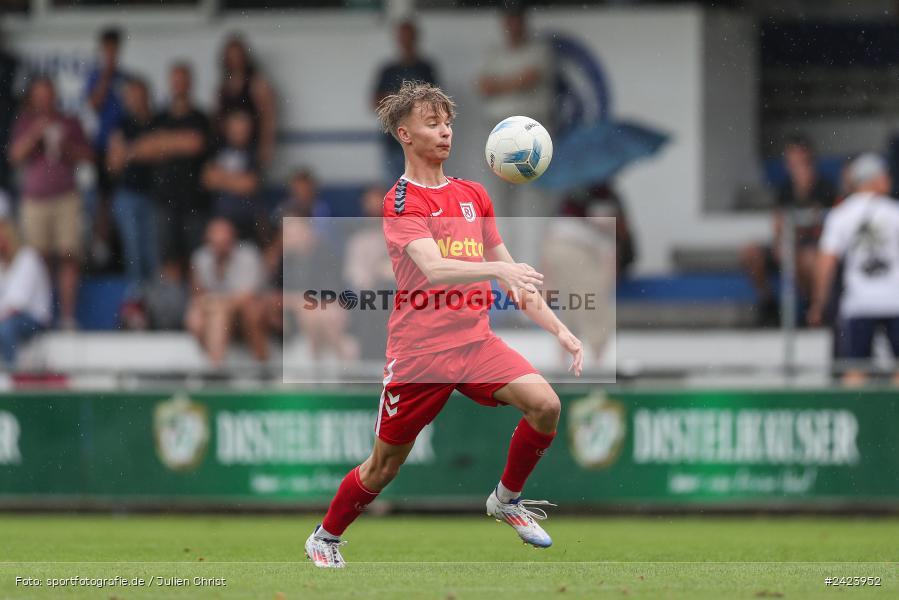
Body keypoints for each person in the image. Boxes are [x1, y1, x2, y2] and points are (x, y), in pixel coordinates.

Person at [304, 81, 584, 568]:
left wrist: (558, 329)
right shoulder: (400, 202)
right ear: (404, 134)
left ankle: (507, 500)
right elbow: (434, 268)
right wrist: (499, 271)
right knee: (383, 466)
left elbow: (516, 278)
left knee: (545, 405)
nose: (445, 132)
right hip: (419, 355)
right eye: (432, 123)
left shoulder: (474, 195)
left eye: (448, 123)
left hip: (475, 343)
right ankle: (325, 536)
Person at [8, 77, 93, 329]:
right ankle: (42, 316)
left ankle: (67, 319)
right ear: (33, 98)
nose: (44, 100)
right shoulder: (24, 122)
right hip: (35, 200)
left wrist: (64, 143)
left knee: (68, 256)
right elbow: (14, 156)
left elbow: (88, 155)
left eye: (48, 94)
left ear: (55, 95)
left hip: (66, 197)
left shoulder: (69, 121)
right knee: (37, 259)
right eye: (39, 95)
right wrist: (36, 134)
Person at [808, 153, 899, 387]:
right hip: (895, 301)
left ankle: (858, 417)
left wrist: (819, 302)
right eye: (885, 176)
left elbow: (826, 261)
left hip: (859, 303)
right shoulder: (894, 212)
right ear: (875, 179)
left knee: (855, 369)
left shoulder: (841, 215)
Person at [476, 5, 554, 263]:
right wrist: (512, 82)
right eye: (509, 20)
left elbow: (529, 79)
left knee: (532, 202)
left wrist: (503, 84)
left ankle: (532, 263)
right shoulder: (494, 53)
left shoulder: (538, 50)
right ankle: (503, 264)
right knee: (499, 204)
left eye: (517, 20)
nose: (514, 26)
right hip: (499, 133)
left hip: (530, 132)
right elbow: (483, 86)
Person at [742, 135, 837, 326]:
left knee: (807, 258)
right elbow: (778, 221)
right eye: (789, 159)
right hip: (788, 243)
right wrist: (780, 242)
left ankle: (811, 306)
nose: (792, 163)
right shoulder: (785, 188)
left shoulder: (825, 187)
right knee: (750, 252)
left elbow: (824, 226)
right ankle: (768, 303)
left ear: (807, 157)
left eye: (796, 158)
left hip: (813, 246)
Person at [133, 62, 211, 283]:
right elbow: (143, 150)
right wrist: (176, 142)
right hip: (163, 201)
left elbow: (195, 144)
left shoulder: (200, 117)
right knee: (168, 261)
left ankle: (195, 313)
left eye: (183, 80)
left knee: (196, 262)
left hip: (194, 202)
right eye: (175, 80)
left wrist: (162, 143)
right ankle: (173, 310)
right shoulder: (159, 118)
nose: (179, 85)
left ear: (190, 84)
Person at [185, 218, 268, 368]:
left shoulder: (248, 255)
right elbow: (198, 294)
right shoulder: (200, 258)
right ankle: (213, 365)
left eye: (224, 242)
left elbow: (248, 296)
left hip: (246, 311)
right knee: (196, 318)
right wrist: (204, 307)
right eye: (216, 243)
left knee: (228, 314)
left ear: (233, 239)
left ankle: (260, 367)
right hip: (214, 309)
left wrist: (218, 304)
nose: (220, 247)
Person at [106, 77, 158, 297]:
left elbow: (158, 151)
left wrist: (131, 151)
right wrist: (140, 150)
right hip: (128, 194)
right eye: (130, 96)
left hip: (154, 195)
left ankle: (157, 301)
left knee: (153, 251)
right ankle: (136, 301)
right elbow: (113, 163)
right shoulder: (121, 124)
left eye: (138, 95)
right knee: (133, 250)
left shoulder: (158, 121)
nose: (134, 100)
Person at [372, 20, 440, 183]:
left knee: (425, 192)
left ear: (415, 38)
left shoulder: (426, 68)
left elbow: (436, 102)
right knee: (397, 194)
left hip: (423, 144)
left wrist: (397, 101)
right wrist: (411, 102)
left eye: (409, 37)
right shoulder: (388, 70)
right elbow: (375, 102)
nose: (405, 42)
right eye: (402, 38)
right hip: (394, 142)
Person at [216, 34, 277, 170]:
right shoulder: (224, 86)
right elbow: (218, 117)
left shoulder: (256, 83)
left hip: (250, 145)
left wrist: (266, 146)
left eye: (238, 56)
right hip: (228, 145)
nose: (235, 60)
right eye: (231, 56)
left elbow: (268, 116)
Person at [0, 210, 51, 367]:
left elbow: (17, 304)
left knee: (5, 329)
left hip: (33, 319)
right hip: (8, 316)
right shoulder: (2, 264)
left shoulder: (27, 257)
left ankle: (11, 373)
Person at [203, 109, 263, 242]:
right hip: (219, 220)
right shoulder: (218, 151)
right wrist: (236, 180)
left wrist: (221, 178)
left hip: (245, 220)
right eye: (235, 128)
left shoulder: (253, 152)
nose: (239, 133)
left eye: (243, 129)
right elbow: (207, 180)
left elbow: (250, 184)